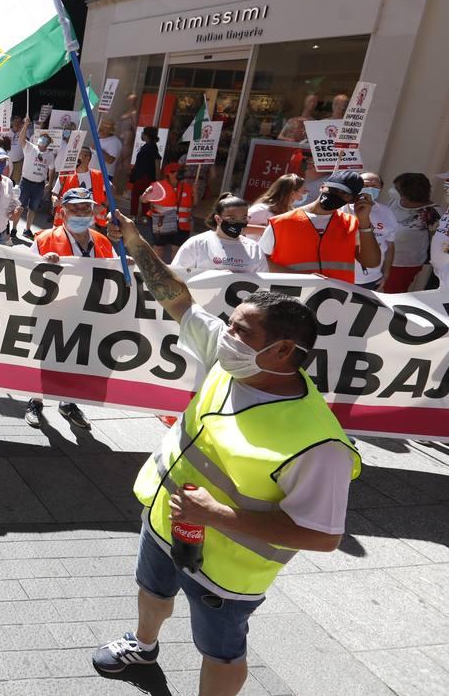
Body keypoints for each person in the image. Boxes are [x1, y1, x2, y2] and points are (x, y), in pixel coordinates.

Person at [96, 209, 359, 696]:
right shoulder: (236, 357)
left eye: (241, 331)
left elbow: (323, 536)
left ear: (283, 352)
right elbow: (177, 298)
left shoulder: (319, 444)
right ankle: (143, 643)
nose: (226, 335)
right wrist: (136, 243)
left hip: (227, 569)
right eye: (230, 324)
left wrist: (220, 516)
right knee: (152, 591)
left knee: (220, 652)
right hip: (163, 520)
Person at [27, 188, 111, 431]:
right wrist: (42, 264)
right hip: (53, 312)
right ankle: (35, 400)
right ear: (63, 212)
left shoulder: (103, 241)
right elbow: (25, 275)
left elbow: (114, 274)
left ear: (93, 212)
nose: (80, 213)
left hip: (88, 313)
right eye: (74, 208)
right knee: (46, 358)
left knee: (78, 359)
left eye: (86, 208)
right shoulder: (44, 239)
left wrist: (125, 266)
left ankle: (69, 402)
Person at [261, 169, 380, 284]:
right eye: (333, 189)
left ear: (353, 200)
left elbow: (371, 262)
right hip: (290, 295)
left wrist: (364, 221)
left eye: (344, 193)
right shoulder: (281, 222)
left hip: (335, 298)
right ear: (322, 186)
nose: (336, 194)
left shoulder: (352, 224)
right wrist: (301, 277)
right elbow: (261, 259)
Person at [171, 193, 265, 276]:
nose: (239, 223)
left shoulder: (254, 249)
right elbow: (176, 276)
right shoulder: (197, 244)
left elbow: (264, 283)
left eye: (244, 218)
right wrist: (215, 277)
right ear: (218, 219)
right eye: (232, 219)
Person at [383, 172, 442, 293]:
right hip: (381, 257)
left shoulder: (432, 212)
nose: (393, 190)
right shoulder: (394, 202)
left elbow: (438, 241)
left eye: (397, 189)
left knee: (391, 294)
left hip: (403, 264)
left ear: (409, 193)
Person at [341, 172, 397, 291]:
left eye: (374, 186)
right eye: (365, 185)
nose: (369, 189)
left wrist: (386, 274)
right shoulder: (342, 209)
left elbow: (390, 246)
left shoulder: (386, 212)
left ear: (381, 188)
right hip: (340, 277)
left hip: (370, 280)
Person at [143, 163, 195, 262]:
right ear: (169, 173)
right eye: (177, 172)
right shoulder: (158, 186)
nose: (180, 174)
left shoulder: (188, 187)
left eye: (180, 171)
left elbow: (194, 204)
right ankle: (156, 270)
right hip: (162, 220)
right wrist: (147, 193)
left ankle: (173, 271)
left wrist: (195, 192)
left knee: (177, 249)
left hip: (181, 224)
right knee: (159, 247)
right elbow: (143, 200)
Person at [52, 146, 109, 227]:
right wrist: (55, 200)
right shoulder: (65, 173)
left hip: (89, 223)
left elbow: (112, 191)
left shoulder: (98, 175)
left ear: (87, 159)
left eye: (78, 156)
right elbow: (54, 194)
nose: (75, 159)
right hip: (66, 221)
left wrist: (102, 206)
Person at [17, 120, 56, 239]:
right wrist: (25, 125)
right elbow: (21, 138)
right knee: (19, 206)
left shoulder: (50, 155)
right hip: (26, 182)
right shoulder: (30, 148)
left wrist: (49, 182)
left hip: (39, 185)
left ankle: (27, 229)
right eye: (42, 138)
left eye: (46, 140)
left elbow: (52, 169)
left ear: (48, 144)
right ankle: (13, 228)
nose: (43, 141)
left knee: (33, 208)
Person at [246, 173, 304, 238]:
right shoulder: (262, 209)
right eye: (303, 192)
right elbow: (238, 227)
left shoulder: (291, 213)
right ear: (292, 193)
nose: (303, 197)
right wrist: (268, 230)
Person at [128, 127, 161, 217]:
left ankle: (135, 215)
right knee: (144, 196)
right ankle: (143, 216)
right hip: (143, 175)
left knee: (137, 195)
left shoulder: (151, 146)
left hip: (145, 176)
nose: (141, 135)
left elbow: (157, 160)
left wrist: (158, 176)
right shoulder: (149, 146)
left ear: (146, 135)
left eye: (143, 133)